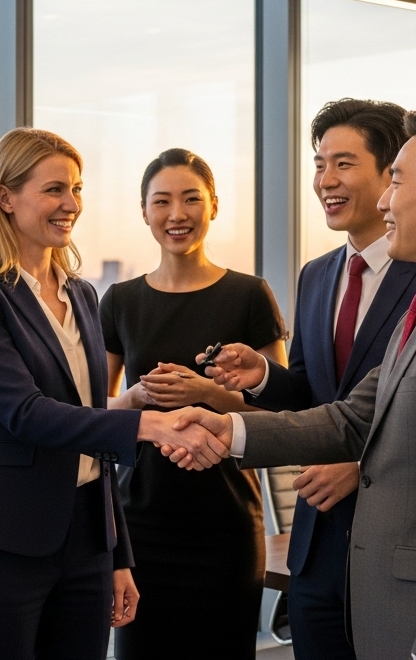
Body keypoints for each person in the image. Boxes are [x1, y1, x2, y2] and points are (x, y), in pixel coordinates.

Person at [171, 107, 416, 660]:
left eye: (396, 180)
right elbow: (351, 417)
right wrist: (226, 429)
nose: (383, 201)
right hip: (387, 609)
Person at [0, 127, 231, 660]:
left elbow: (89, 423)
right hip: (5, 539)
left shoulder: (82, 293)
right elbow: (25, 414)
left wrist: (116, 553)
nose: (71, 204)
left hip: (86, 542)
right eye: (54, 189)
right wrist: (148, 424)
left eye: (76, 189)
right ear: (6, 197)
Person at [100, 148, 287, 659]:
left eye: (191, 200)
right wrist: (137, 399)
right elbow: (92, 412)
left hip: (225, 523)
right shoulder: (119, 301)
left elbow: (281, 418)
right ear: (144, 211)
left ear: (214, 206)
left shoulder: (250, 295)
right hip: (140, 524)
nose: (177, 215)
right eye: (162, 201)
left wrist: (207, 394)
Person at [263, 99, 416, 660]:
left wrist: (363, 466)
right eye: (318, 163)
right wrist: (262, 375)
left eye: (344, 164)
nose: (325, 180)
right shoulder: (316, 275)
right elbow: (313, 393)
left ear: (390, 175)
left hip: (394, 550)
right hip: (316, 549)